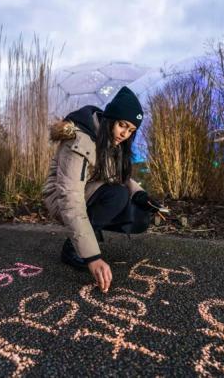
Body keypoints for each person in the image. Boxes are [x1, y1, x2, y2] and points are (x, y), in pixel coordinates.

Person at [43, 87, 164, 293]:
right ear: (110, 119)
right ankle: (74, 247)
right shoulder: (79, 141)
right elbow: (70, 199)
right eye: (122, 125)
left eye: (131, 130)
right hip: (61, 198)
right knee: (117, 195)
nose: (125, 134)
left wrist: (141, 195)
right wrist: (93, 257)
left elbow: (118, 178)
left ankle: (89, 232)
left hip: (88, 192)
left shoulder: (110, 140)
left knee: (138, 212)